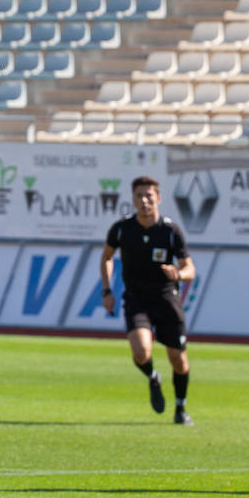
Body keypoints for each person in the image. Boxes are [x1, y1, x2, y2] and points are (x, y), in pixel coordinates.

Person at [100, 176, 196, 424]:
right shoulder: (122, 229)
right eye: (139, 196)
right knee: (141, 353)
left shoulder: (170, 231)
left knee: (178, 359)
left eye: (148, 195)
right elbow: (107, 257)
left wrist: (178, 273)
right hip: (136, 298)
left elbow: (189, 268)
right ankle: (153, 377)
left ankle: (181, 408)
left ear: (158, 198)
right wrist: (107, 290)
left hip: (166, 299)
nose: (144, 200)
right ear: (133, 199)